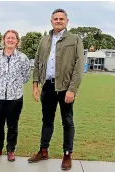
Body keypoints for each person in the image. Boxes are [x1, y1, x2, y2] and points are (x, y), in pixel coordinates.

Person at [27, 9, 84, 171]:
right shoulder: (44, 40)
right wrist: (35, 84)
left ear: (67, 21)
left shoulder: (75, 39)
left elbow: (79, 66)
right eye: (55, 19)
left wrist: (72, 89)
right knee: (47, 120)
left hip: (66, 87)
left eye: (61, 19)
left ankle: (67, 154)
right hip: (48, 87)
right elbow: (38, 63)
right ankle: (43, 150)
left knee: (67, 121)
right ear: (51, 21)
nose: (58, 21)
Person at [0, 30, 31, 162]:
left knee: (13, 125)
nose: (10, 40)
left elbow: (26, 76)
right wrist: (1, 85)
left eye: (13, 38)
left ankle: (11, 150)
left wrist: (14, 86)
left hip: (15, 98)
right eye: (8, 38)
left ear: (17, 41)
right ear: (4, 40)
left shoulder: (23, 58)